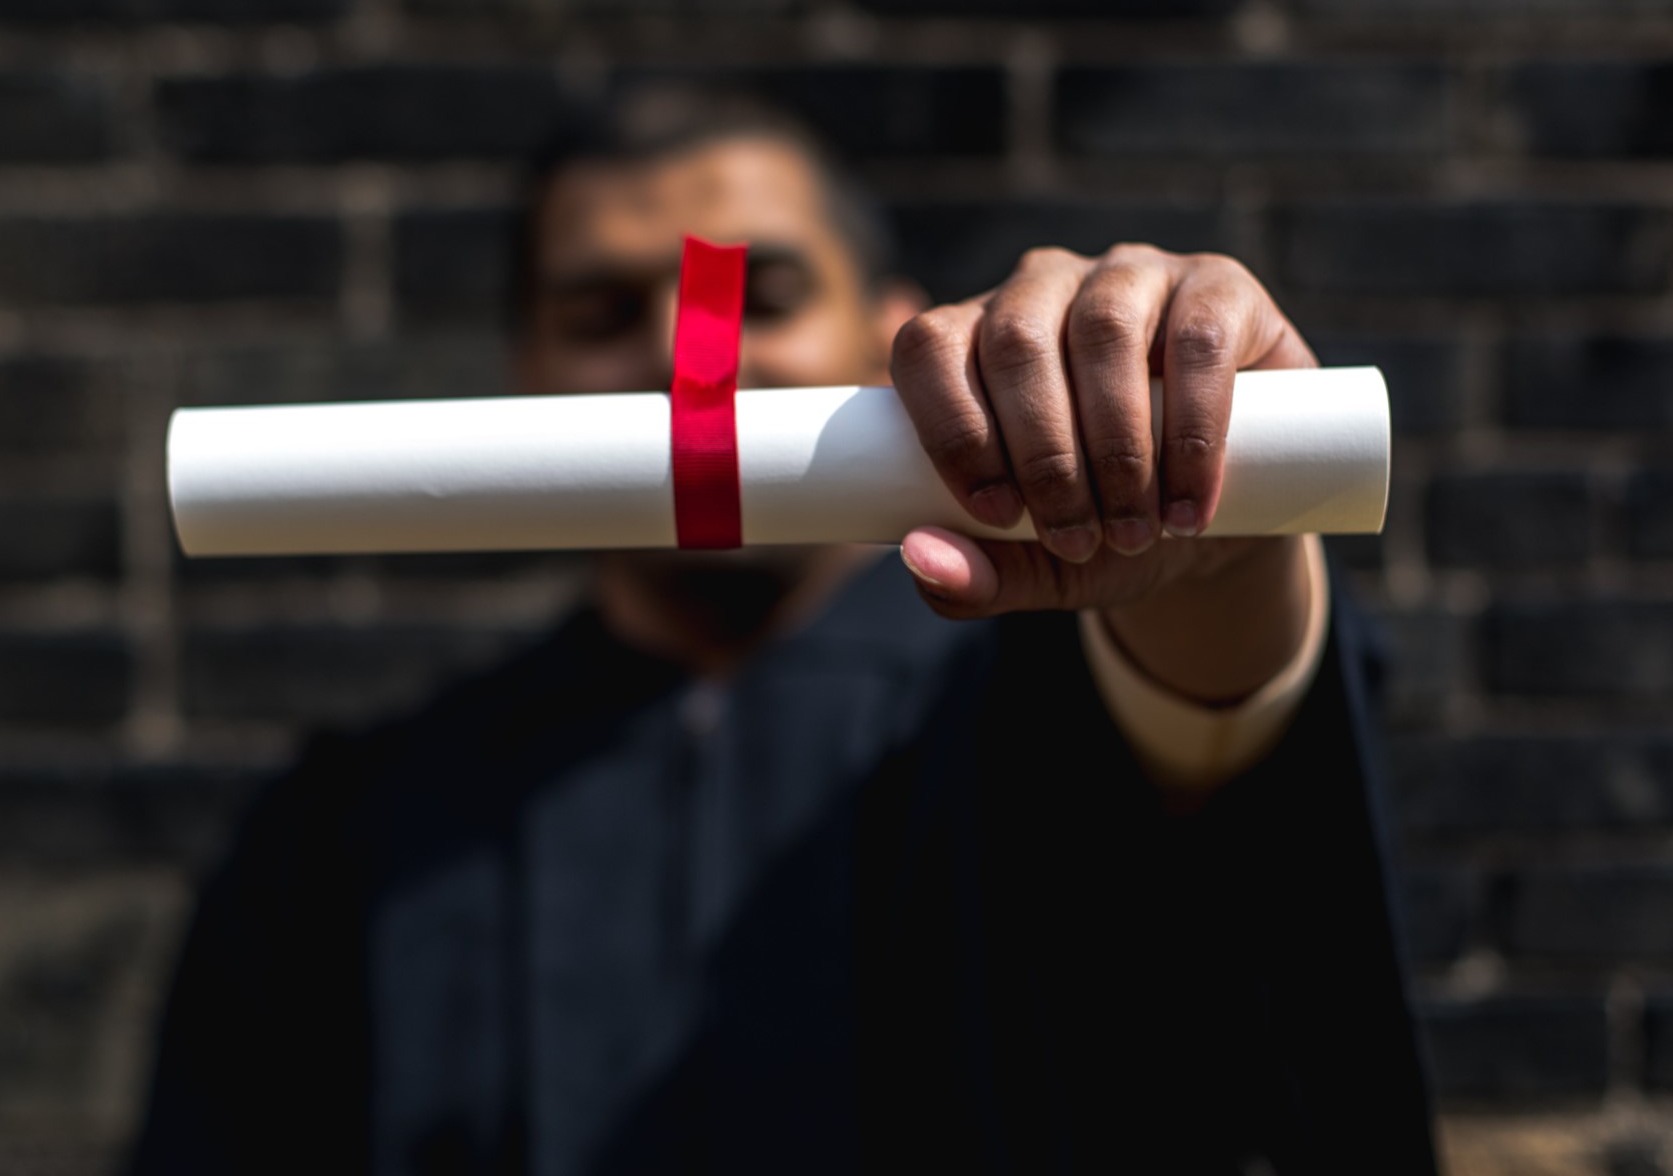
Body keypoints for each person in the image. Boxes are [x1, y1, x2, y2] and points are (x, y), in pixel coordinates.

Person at [129, 89, 1439, 1175]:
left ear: (894, 334)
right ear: (525, 378)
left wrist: (1206, 546)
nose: (682, 358)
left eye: (758, 293)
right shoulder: (359, 833)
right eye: (597, 315)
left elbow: (1220, 688)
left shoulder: (1036, 705)